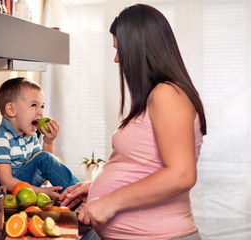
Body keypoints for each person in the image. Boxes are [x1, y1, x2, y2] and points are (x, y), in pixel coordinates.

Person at [60, 4, 206, 240]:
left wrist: (109, 202)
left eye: (120, 49)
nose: (117, 59)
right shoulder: (157, 95)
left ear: (141, 49)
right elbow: (146, 164)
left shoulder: (168, 94)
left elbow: (181, 175)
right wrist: (99, 189)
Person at [0, 77, 79, 199]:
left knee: (45, 159)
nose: (41, 112)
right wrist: (43, 192)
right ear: (11, 110)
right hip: (0, 197)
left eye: (42, 106)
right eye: (34, 105)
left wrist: (48, 141)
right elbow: (6, 182)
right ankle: (78, 195)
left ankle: (77, 194)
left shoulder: (29, 137)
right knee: (44, 158)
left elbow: (45, 169)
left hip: (21, 193)